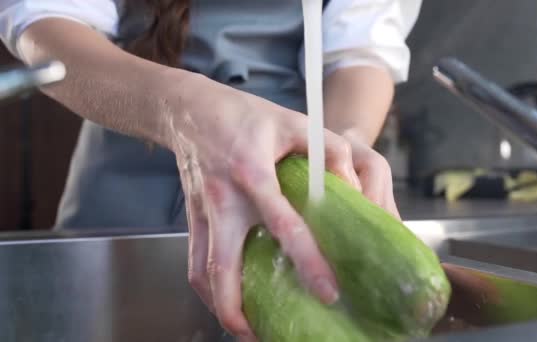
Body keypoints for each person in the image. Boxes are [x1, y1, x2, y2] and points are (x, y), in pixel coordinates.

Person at [0, 0, 421, 340]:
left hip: (278, 193)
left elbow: (361, 48)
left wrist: (341, 146)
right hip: (123, 184)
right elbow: (46, 21)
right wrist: (182, 106)